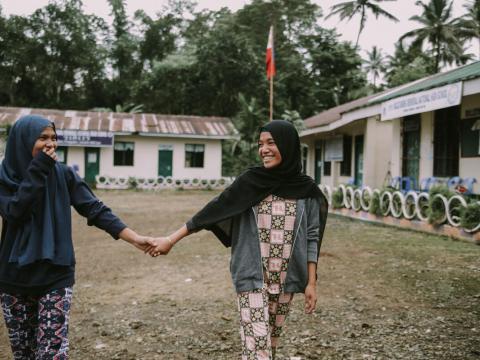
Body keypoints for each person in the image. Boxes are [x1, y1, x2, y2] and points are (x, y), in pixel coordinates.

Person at [146, 120, 328, 360]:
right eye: (260, 143)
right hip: (252, 276)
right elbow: (213, 211)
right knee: (258, 351)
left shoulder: (307, 191)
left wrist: (311, 283)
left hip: (287, 280)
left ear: (288, 145)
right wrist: (171, 239)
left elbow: (312, 237)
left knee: (268, 347)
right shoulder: (251, 182)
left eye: (271, 143)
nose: (264, 149)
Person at [0, 115, 154, 359]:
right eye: (42, 138)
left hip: (55, 275)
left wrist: (134, 238)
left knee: (52, 354)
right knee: (24, 354)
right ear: (23, 141)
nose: (50, 143)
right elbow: (15, 212)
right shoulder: (5, 179)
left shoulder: (64, 174)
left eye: (54, 138)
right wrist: (38, 171)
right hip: (13, 279)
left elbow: (95, 209)